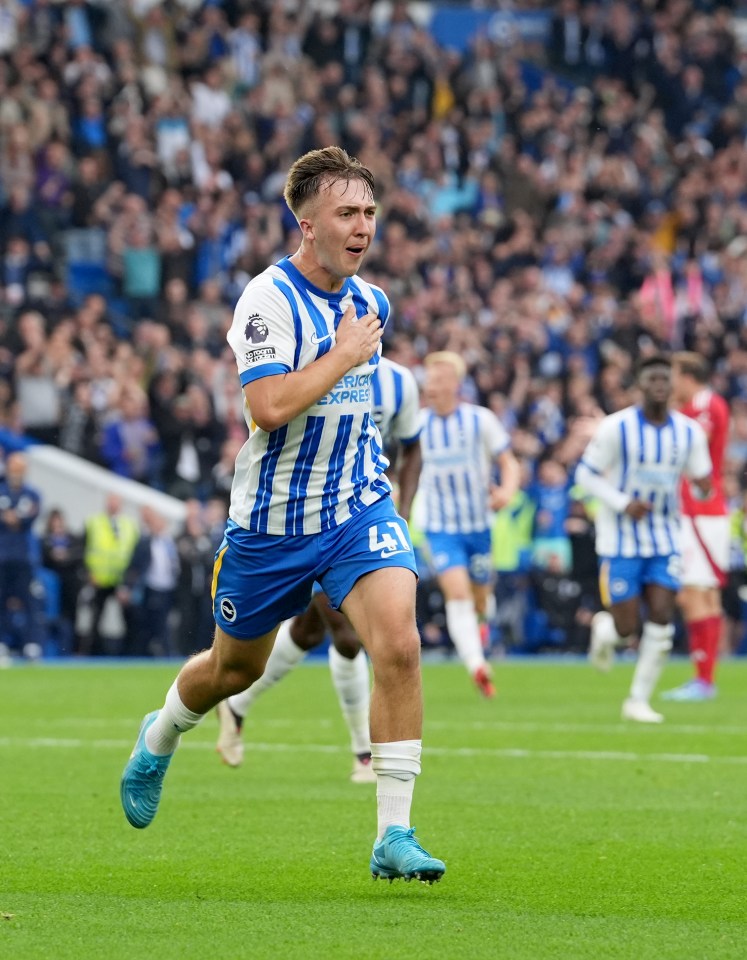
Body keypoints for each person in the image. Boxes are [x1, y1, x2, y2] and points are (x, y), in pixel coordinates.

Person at [120, 146, 445, 884]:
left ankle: (393, 835)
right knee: (235, 668)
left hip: (358, 506)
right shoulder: (265, 300)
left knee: (397, 642)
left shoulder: (374, 302)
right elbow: (265, 409)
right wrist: (341, 355)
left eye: (368, 212)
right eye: (347, 214)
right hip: (271, 522)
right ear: (307, 224)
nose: (363, 227)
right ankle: (161, 735)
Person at [215, 355, 422, 784]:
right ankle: (363, 752)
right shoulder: (300, 367)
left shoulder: (400, 384)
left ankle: (237, 706)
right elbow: (263, 416)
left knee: (316, 632)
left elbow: (412, 445)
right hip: (290, 522)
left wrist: (400, 513)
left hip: (356, 521)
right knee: (343, 635)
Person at [576, 355, 712, 723]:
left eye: (664, 379)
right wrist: (622, 503)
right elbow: (585, 475)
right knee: (626, 626)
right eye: (651, 378)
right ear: (639, 383)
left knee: (663, 615)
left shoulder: (688, 433)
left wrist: (702, 489)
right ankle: (605, 630)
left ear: (671, 385)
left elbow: (703, 483)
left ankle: (637, 700)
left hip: (665, 538)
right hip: (620, 540)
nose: (659, 385)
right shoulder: (616, 428)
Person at [417, 350, 521, 697]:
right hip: (439, 526)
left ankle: (481, 627)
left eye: (440, 378)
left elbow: (509, 462)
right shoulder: (417, 425)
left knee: (479, 599)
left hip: (478, 525)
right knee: (457, 593)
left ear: (455, 385)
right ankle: (477, 664)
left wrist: (507, 490)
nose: (432, 384)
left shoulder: (480, 420)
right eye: (429, 378)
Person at [661, 352, 730, 701]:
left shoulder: (705, 407)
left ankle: (703, 679)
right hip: (702, 512)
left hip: (699, 512)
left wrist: (664, 411)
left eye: (672, 376)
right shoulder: (703, 406)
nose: (669, 384)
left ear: (688, 377)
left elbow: (687, 445)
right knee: (705, 595)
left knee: (692, 595)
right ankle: (705, 678)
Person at [79, 493, 139, 656]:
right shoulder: (94, 522)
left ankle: (130, 652)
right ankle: (92, 653)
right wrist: (88, 574)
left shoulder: (129, 525)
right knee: (95, 618)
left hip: (121, 580)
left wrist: (128, 582)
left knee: (129, 618)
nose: (113, 505)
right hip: (99, 579)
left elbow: (134, 555)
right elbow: (83, 549)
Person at [0, 451, 42, 658]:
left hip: (23, 556)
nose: (16, 473)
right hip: (2, 555)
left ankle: (31, 643)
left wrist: (13, 517)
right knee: (1, 600)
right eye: (14, 468)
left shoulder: (32, 493)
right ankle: (2, 642)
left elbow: (28, 517)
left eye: (20, 469)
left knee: (28, 600)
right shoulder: (2, 490)